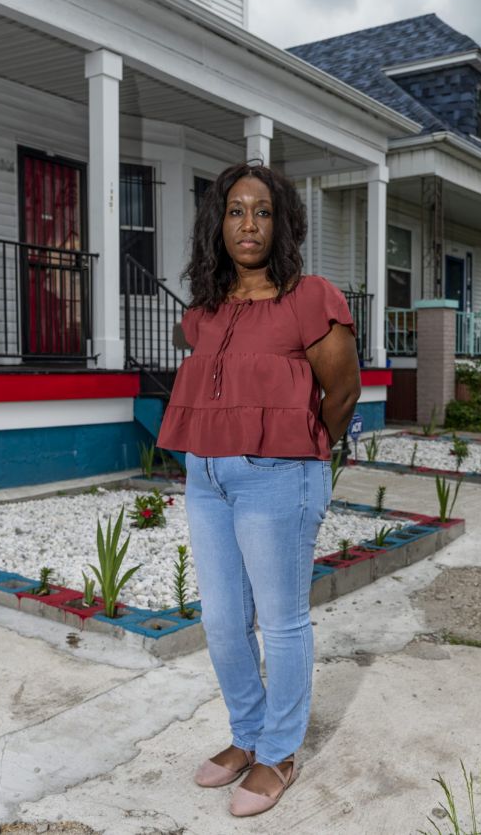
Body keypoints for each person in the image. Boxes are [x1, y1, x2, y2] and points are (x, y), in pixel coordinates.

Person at [157, 161, 361, 817]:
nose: (249, 223)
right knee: (220, 620)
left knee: (282, 619)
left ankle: (279, 751)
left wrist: (308, 453)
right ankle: (246, 736)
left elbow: (344, 390)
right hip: (206, 474)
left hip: (280, 475)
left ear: (283, 223)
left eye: (263, 211)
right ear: (218, 223)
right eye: (236, 210)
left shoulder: (309, 297)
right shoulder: (206, 311)